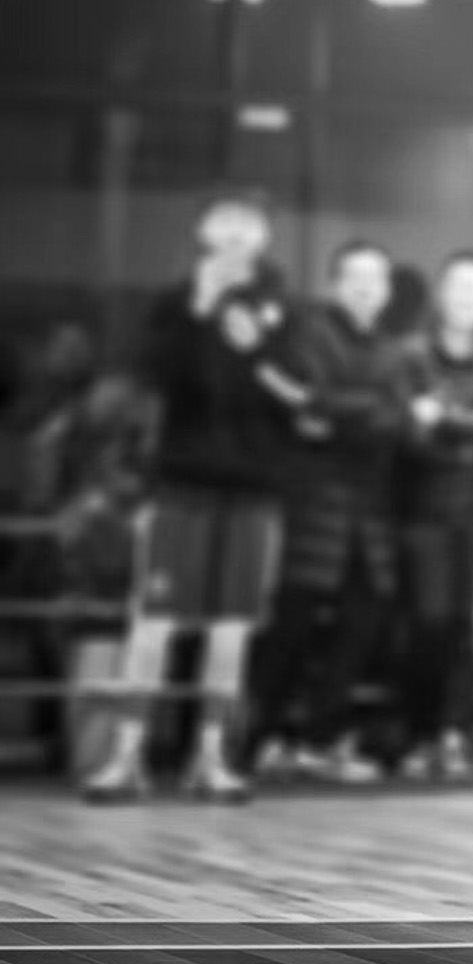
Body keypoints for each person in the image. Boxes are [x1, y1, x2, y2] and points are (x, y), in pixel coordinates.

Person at [84, 194, 296, 804]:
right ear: (203, 233)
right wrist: (200, 309)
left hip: (252, 490)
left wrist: (259, 349)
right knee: (152, 622)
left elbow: (298, 395)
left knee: (232, 630)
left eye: (246, 226)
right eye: (222, 224)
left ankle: (211, 756)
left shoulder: (283, 310)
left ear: (262, 238)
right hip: (180, 485)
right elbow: (152, 375)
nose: (234, 235)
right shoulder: (173, 303)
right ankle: (126, 756)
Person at [249, 240, 412, 784]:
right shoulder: (307, 332)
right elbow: (294, 400)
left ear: (387, 291)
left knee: (362, 626)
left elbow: (394, 420)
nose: (366, 288)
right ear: (336, 283)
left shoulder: (393, 352)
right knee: (289, 627)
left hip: (371, 512)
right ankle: (256, 739)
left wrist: (327, 411)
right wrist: (355, 410)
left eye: (375, 279)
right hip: (311, 503)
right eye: (355, 278)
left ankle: (320, 739)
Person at [396, 252, 473, 779]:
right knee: (427, 621)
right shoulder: (411, 358)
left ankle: (455, 733)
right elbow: (410, 438)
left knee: (467, 626)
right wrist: (469, 428)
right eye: (458, 287)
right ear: (441, 295)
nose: (467, 298)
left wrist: (442, 418)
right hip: (418, 508)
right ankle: (419, 733)